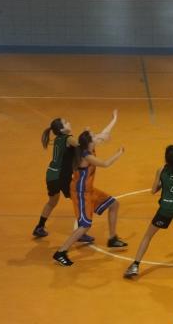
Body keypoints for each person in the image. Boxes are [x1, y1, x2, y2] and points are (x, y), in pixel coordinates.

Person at [53, 111, 127, 266]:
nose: (98, 136)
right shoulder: (86, 156)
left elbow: (104, 133)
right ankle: (61, 252)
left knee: (114, 204)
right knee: (85, 225)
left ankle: (112, 238)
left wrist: (114, 119)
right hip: (80, 192)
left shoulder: (88, 146)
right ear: (90, 142)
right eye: (94, 136)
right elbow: (105, 164)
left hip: (89, 189)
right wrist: (119, 153)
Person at [124, 145, 173, 278]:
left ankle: (135, 265)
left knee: (148, 236)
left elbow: (153, 190)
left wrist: (163, 184)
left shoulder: (161, 170)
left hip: (165, 209)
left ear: (165, 157)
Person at [32, 118, 94, 243]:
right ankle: (80, 232)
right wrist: (87, 134)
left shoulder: (58, 139)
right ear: (61, 129)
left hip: (51, 175)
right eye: (66, 122)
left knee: (52, 202)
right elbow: (82, 147)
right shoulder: (68, 139)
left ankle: (39, 227)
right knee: (80, 201)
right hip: (61, 177)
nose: (69, 122)